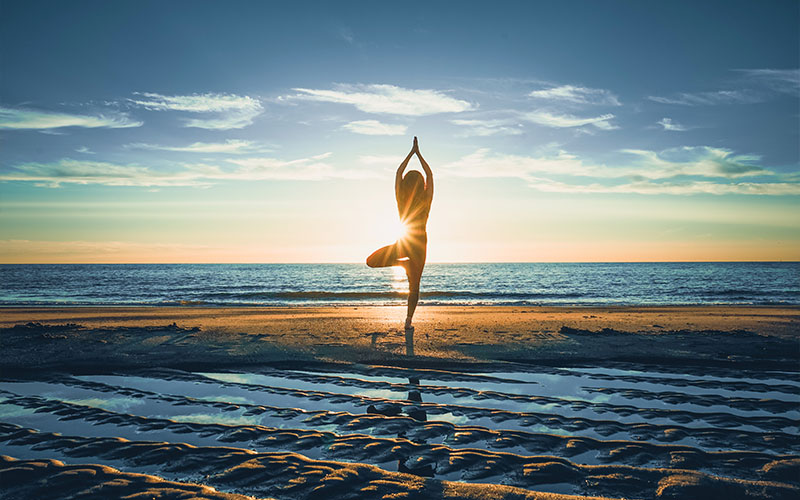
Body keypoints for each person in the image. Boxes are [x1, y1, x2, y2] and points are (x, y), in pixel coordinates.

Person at [366, 136, 433, 330]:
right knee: (415, 286)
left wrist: (411, 154)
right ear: (421, 185)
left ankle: (400, 264)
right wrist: (418, 154)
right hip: (418, 245)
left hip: (405, 242)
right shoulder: (425, 201)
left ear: (406, 185)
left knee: (371, 261)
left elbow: (398, 173)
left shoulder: (401, 199)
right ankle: (408, 321)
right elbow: (430, 175)